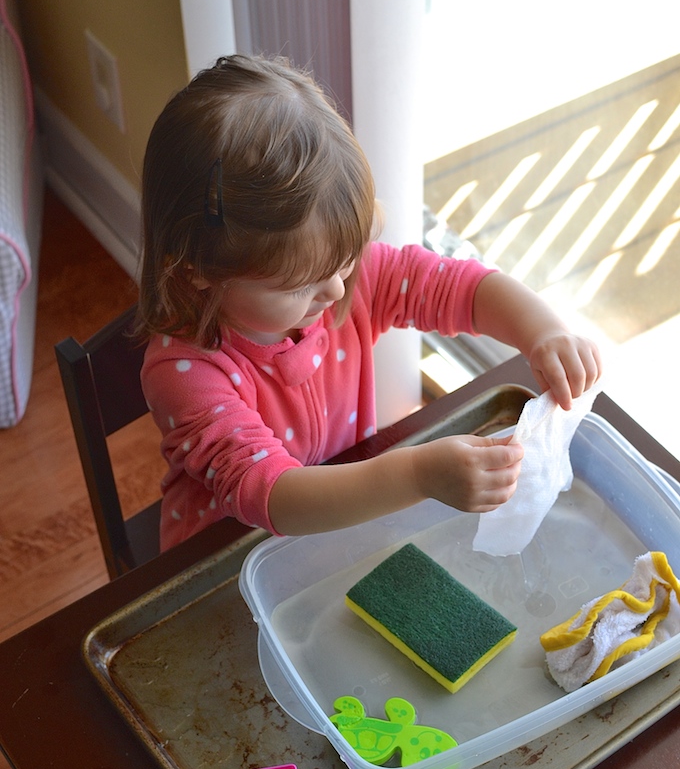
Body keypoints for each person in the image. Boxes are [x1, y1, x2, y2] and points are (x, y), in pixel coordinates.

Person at [138, 54, 602, 550]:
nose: (338, 291)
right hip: (223, 556)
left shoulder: (346, 280)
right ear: (199, 270)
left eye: (346, 261)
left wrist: (543, 331)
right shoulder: (183, 373)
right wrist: (418, 473)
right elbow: (273, 495)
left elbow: (458, 287)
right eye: (300, 284)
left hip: (346, 519)